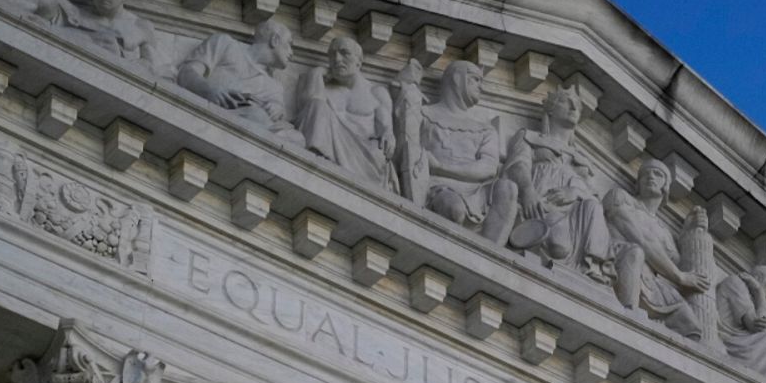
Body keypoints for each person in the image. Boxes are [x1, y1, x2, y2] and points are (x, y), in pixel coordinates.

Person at [500, 86, 609, 273]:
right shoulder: (529, 137)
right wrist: (527, 191)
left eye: (578, 107)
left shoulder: (581, 158)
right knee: (559, 245)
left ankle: (593, 269)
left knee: (593, 207)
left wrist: (575, 192)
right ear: (550, 108)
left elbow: (593, 193)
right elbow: (518, 165)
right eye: (566, 102)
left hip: (572, 211)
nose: (574, 108)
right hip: (539, 202)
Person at [604, 160, 711, 339]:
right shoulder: (620, 198)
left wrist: (689, 234)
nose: (651, 176)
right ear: (637, 184)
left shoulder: (664, 232)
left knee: (691, 328)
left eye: (658, 174)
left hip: (651, 285)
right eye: (645, 173)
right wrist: (679, 276)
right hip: (617, 263)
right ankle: (627, 320)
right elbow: (641, 238)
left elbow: (680, 268)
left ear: (666, 187)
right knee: (636, 252)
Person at [417, 61, 518, 244]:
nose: (481, 87)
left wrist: (441, 167)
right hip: (438, 186)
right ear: (457, 79)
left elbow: (488, 168)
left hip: (476, 190)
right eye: (475, 80)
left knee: (508, 188)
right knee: (454, 208)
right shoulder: (424, 114)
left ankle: (491, 257)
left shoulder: (485, 130)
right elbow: (409, 149)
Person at [0, 0, 158, 70]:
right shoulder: (77, 13)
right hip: (67, 41)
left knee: (106, 42)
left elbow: (150, 67)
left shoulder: (141, 26)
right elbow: (62, 7)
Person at [177, 20, 301, 145]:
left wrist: (276, 109)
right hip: (208, 117)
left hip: (252, 133)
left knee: (297, 139)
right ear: (275, 40)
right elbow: (186, 73)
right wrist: (208, 90)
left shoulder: (274, 87)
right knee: (256, 115)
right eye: (289, 44)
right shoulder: (224, 44)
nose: (292, 54)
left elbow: (278, 114)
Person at [294, 36, 395, 189]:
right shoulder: (324, 89)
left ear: (359, 61)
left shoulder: (376, 92)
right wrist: (316, 73)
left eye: (344, 53)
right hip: (326, 151)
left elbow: (386, 129)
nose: (337, 59)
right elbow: (308, 110)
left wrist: (388, 133)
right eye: (332, 55)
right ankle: (317, 163)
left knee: (379, 152)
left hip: (364, 154)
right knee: (317, 105)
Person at [715, 264, 766, 383]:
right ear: (758, 278)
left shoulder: (751, 298)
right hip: (731, 341)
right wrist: (759, 292)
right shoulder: (736, 283)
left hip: (745, 341)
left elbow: (763, 324)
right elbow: (756, 325)